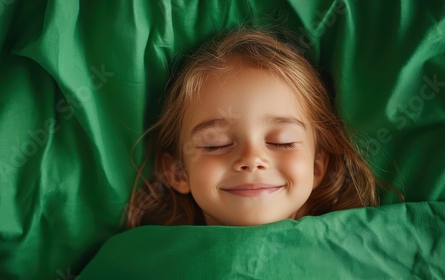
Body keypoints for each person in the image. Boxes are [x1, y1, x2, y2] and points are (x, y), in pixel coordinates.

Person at [124, 28, 391, 228]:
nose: (251, 160)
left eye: (281, 141)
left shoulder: (362, 247)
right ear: (178, 171)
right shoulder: (139, 260)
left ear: (317, 167)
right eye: (215, 144)